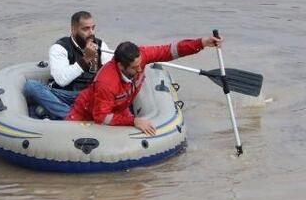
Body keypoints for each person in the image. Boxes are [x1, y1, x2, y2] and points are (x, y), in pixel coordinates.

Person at [66, 34, 222, 135]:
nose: (140, 69)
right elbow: (101, 117)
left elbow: (170, 50)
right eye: (134, 68)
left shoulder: (141, 57)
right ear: (120, 66)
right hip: (86, 113)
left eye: (140, 64)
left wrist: (201, 43)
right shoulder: (106, 82)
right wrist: (133, 121)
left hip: (119, 108)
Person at [24, 11, 114, 120]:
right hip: (65, 95)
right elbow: (61, 80)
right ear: (73, 30)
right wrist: (86, 60)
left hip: (90, 95)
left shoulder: (100, 45)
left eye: (93, 28)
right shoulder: (60, 48)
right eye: (85, 29)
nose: (91, 33)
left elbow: (112, 73)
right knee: (31, 86)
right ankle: (71, 115)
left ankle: (62, 113)